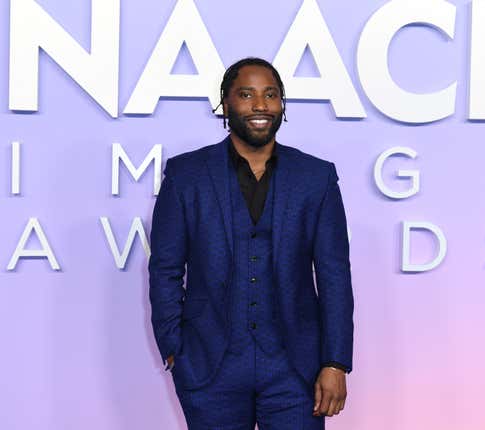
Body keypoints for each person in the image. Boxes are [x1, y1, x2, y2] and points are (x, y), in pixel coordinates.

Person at [148, 57, 354, 429]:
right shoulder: (186, 175)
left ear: (282, 106)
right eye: (247, 94)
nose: (260, 105)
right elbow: (165, 269)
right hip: (210, 367)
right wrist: (175, 349)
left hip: (296, 371)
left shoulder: (316, 178)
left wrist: (335, 361)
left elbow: (334, 275)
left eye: (270, 95)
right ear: (226, 104)